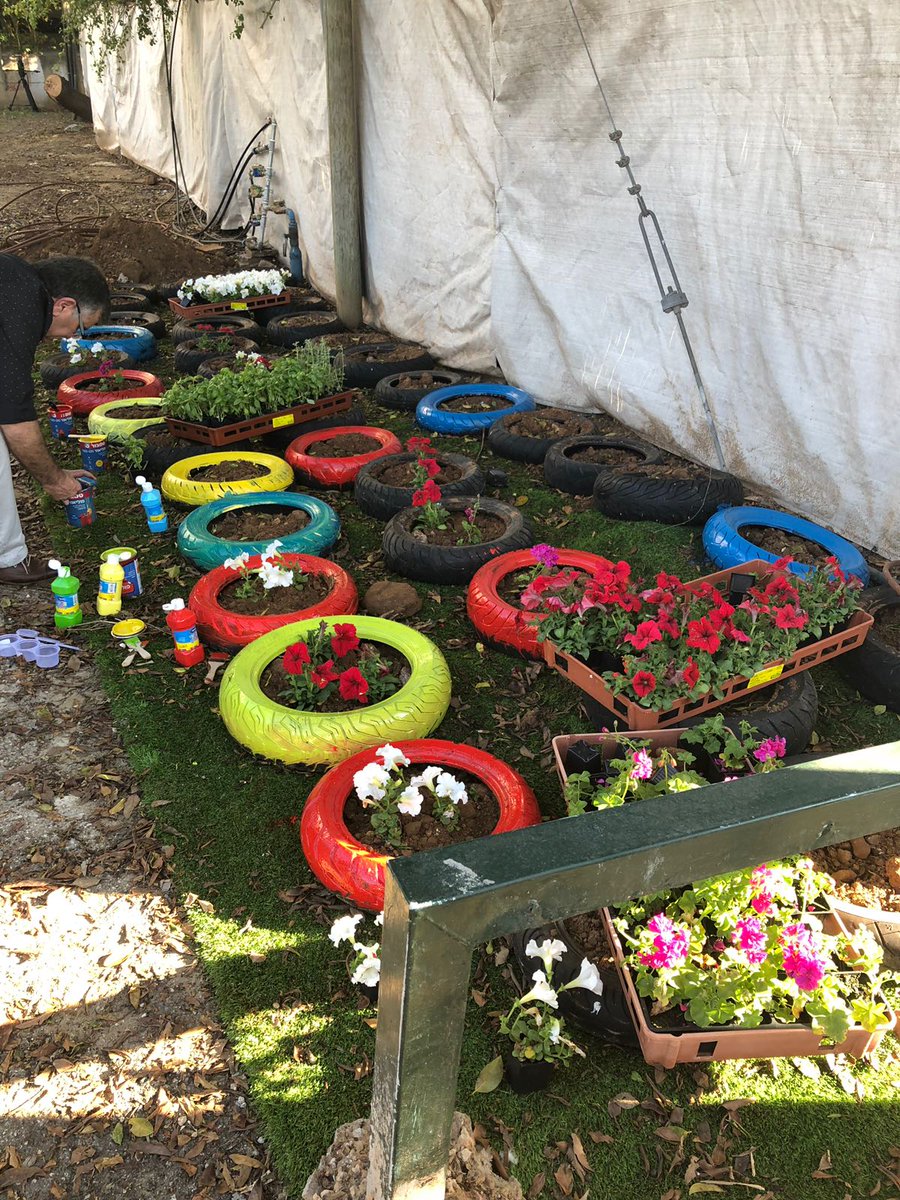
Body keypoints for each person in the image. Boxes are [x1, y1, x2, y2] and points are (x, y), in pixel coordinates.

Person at [0, 254, 109, 584]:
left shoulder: (16, 276)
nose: (73, 337)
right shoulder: (22, 311)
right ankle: (8, 558)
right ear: (63, 305)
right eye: (80, 327)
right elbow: (14, 416)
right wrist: (54, 479)